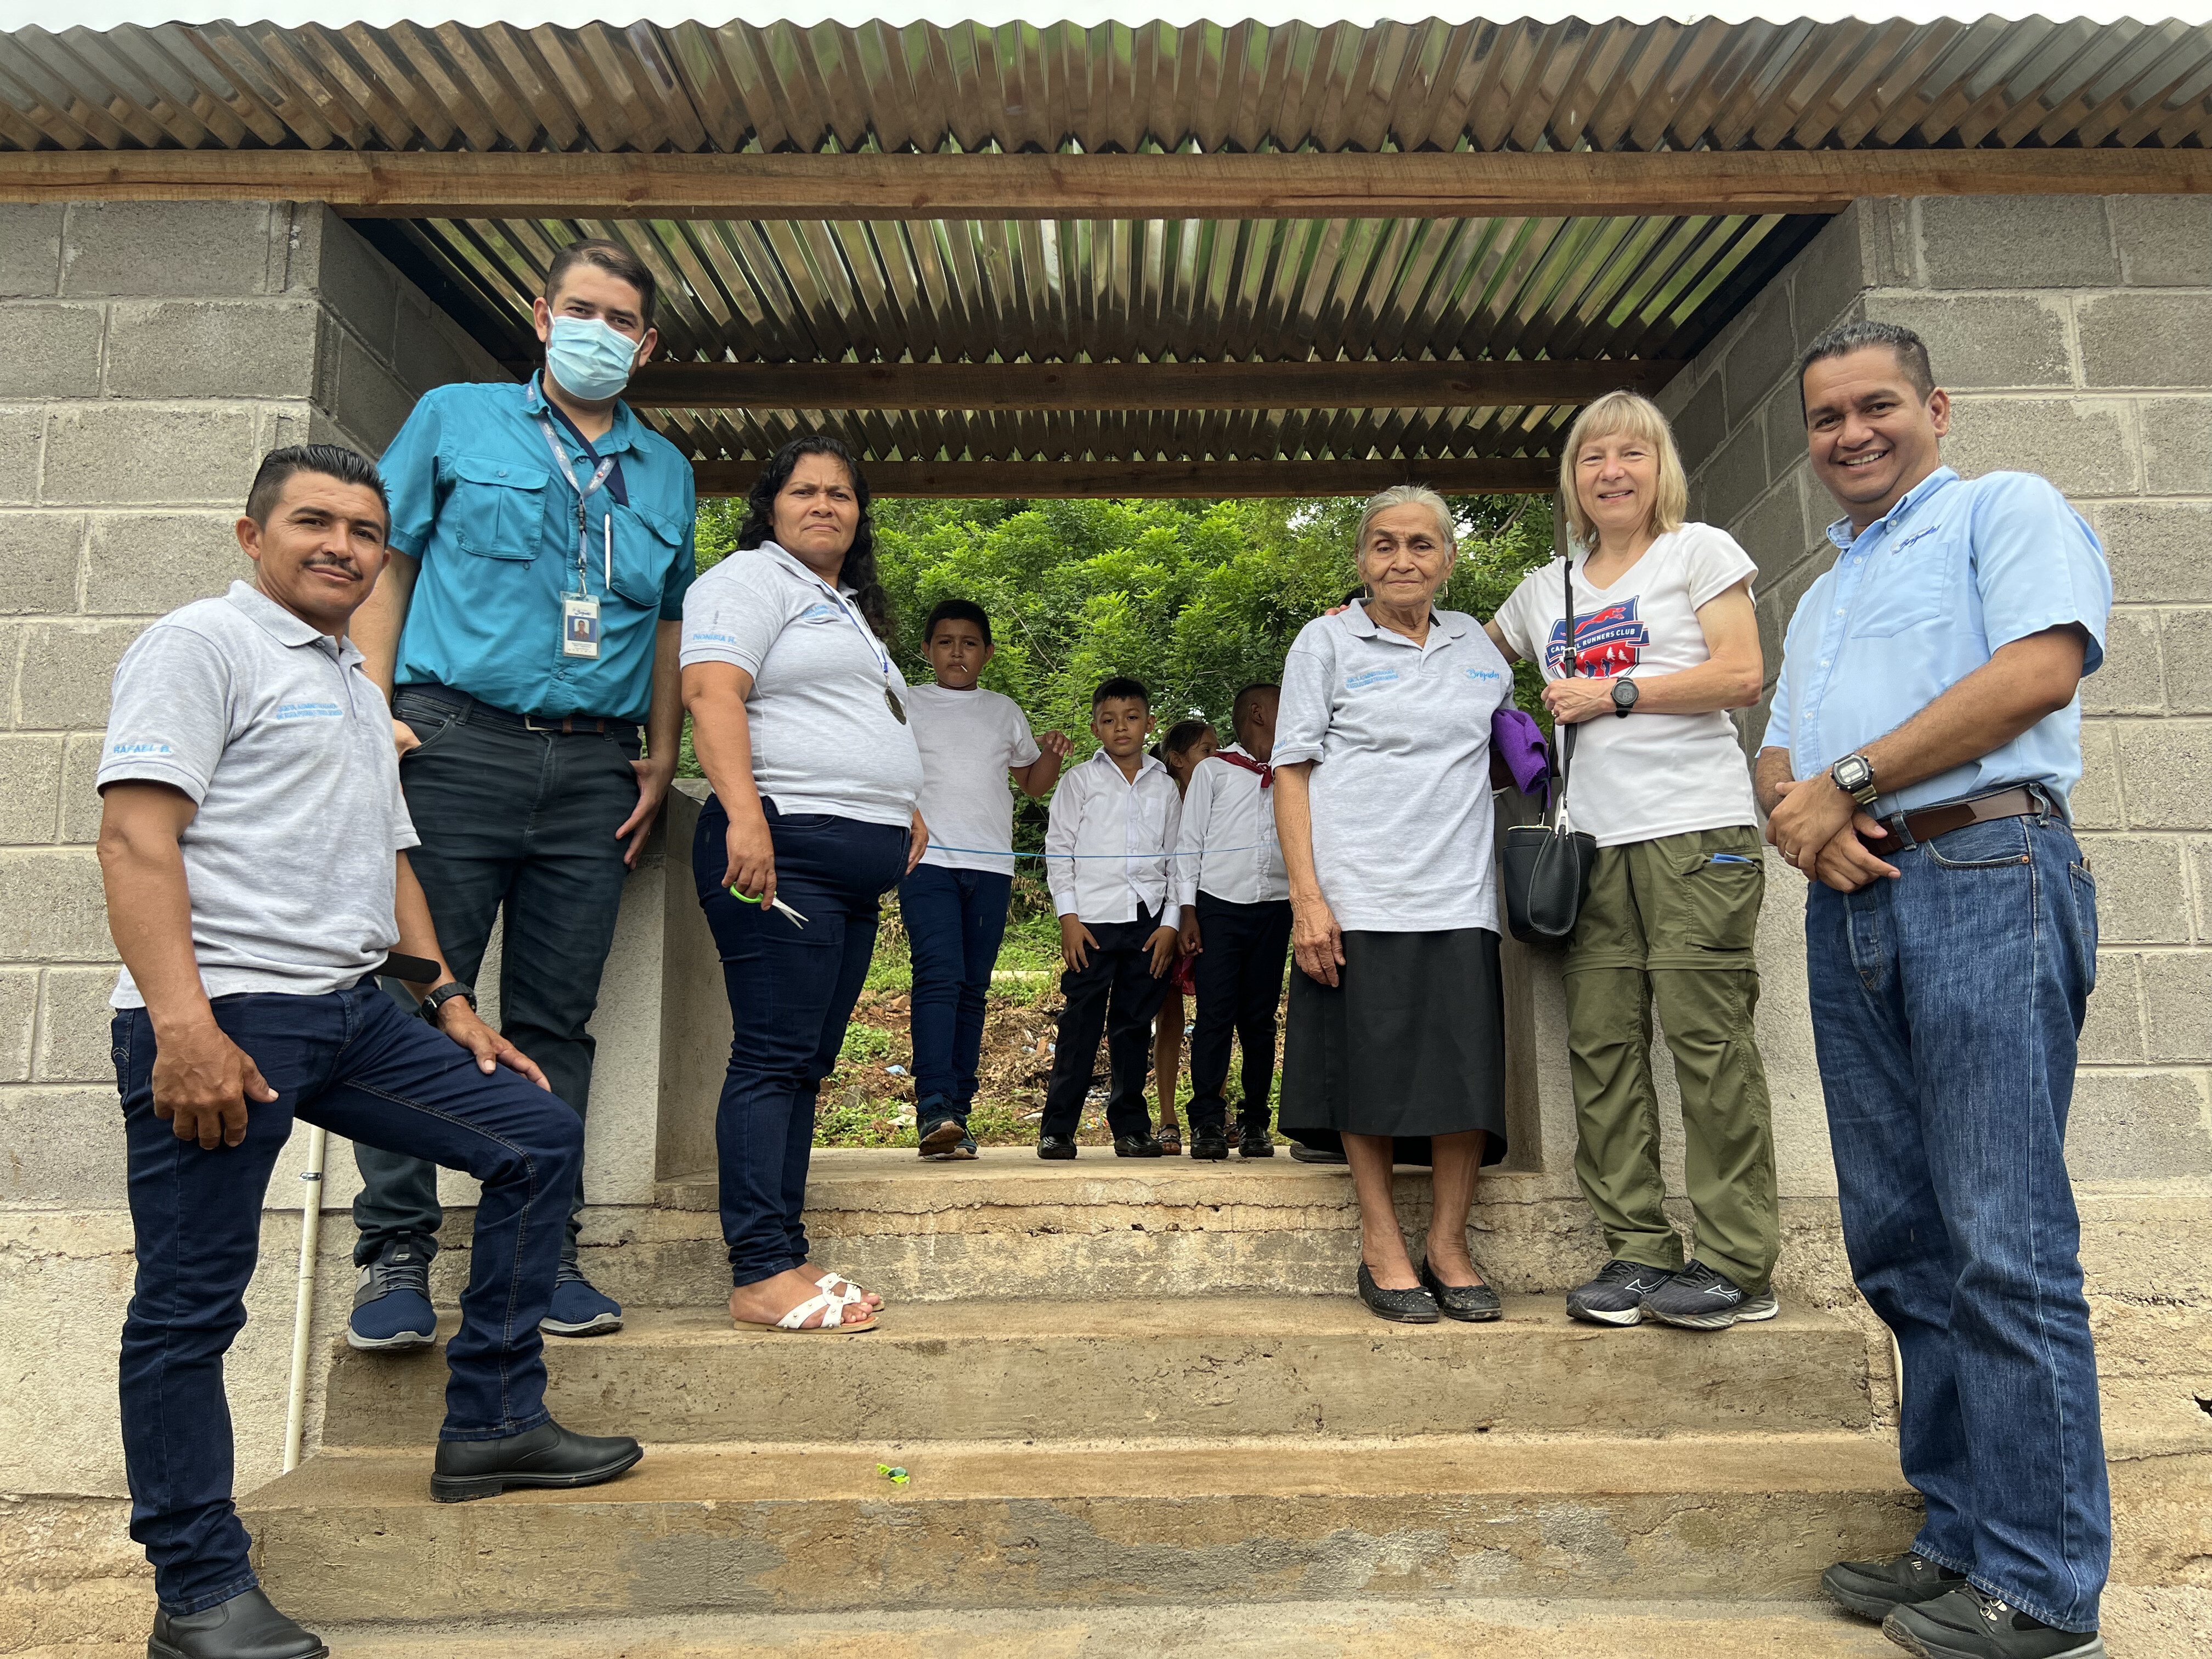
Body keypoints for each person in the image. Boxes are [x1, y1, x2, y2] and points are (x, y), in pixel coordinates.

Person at [99, 447, 641, 1659]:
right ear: (252, 536)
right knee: (192, 1310)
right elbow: (137, 840)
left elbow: (390, 859)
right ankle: (197, 1591)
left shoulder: (351, 674)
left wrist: (449, 997)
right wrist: (182, 1026)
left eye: (363, 529)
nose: (342, 544)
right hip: (226, 1019)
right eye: (313, 522)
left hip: (350, 1015)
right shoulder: (202, 648)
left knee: (537, 1136)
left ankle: (495, 1421)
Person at [1758, 321, 2113, 1659]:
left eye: (1876, 406)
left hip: (1984, 869)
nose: (1851, 433)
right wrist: (1814, 816)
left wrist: (1848, 789)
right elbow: (1784, 745)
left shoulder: (2005, 510)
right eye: (1827, 417)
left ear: (1936, 408)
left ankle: (2043, 1583)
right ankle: (1961, 1539)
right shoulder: (1825, 588)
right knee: (1903, 1240)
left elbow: (2037, 670)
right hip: (1859, 895)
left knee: (2001, 1238)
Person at [345, 238, 698, 1348]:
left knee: (557, 1020)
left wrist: (661, 752)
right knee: (413, 997)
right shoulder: (456, 418)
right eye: (579, 308)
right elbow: (384, 560)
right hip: (452, 742)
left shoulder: (669, 471)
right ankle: (396, 1254)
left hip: (596, 766)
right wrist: (371, 712)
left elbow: (672, 623)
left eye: (620, 319)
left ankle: (543, 1256)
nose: (598, 330)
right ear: (542, 316)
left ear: (643, 344)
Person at [1488, 390, 1778, 1334]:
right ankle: (1640, 1250)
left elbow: (1740, 672)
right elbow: (1464, 661)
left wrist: (1613, 691)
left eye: (1630, 453)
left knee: (1707, 1045)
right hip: (1590, 846)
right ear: (1571, 479)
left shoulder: (1699, 551)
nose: (1611, 471)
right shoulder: (1545, 588)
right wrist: (1367, 619)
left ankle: (1736, 1260)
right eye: (1590, 458)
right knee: (1602, 1048)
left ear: (1660, 466)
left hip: (1697, 831)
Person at [681, 436, 928, 1333]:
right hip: (781, 849)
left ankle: (782, 1249)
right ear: (770, 503)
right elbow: (713, 691)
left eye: (842, 492)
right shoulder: (746, 580)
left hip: (849, 864)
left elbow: (858, 718)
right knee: (772, 1056)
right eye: (804, 490)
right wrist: (745, 815)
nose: (824, 504)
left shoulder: (840, 603)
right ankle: (759, 1269)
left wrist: (902, 801)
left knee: (806, 1064)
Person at [1272, 485, 1514, 1325]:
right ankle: (1382, 1243)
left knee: (1463, 1079)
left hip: (1461, 894)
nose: (1402, 560)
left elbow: (1499, 759)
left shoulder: (1483, 655)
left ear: (1448, 558)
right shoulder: (1326, 642)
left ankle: (1448, 1245)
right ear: (1361, 559)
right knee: (1365, 1073)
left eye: (1420, 544)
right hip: (1359, 894)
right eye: (1384, 544)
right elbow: (1292, 771)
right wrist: (1309, 899)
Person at [900, 598, 1070, 1161]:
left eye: (969, 643)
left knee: (973, 988)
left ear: (987, 654)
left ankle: (959, 1116)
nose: (957, 652)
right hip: (926, 864)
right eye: (945, 642)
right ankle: (933, 1105)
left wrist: (1052, 755)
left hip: (991, 869)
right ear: (927, 650)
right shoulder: (905, 702)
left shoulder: (1003, 711)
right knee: (939, 977)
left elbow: (1033, 785)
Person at [1037, 679, 1185, 1160]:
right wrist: (1069, 919)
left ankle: (1130, 1126)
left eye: (1132, 717)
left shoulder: (1165, 786)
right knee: (1079, 1023)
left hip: (1148, 922)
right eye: (1109, 719)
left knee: (1132, 1026)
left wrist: (1171, 923)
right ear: (1096, 727)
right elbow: (1058, 850)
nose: (1121, 727)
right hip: (1092, 923)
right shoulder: (1080, 781)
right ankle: (1058, 1128)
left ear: (1150, 723)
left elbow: (1179, 858)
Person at [1176, 684, 1292, 1162]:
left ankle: (1256, 1122)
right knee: (1216, 1016)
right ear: (1260, 713)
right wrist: (1187, 911)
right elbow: (1189, 842)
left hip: (1277, 906)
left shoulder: (1294, 769)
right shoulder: (1214, 771)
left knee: (1260, 1021)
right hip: (1219, 907)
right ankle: (1206, 1119)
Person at [1148, 718, 1217, 1154]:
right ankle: (1168, 1116)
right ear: (1177, 760)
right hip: (1165, 915)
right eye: (1207, 751)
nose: (1218, 757)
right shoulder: (1163, 798)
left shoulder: (1220, 795)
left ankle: (1215, 1109)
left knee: (1217, 1014)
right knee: (1168, 1014)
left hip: (1209, 911)